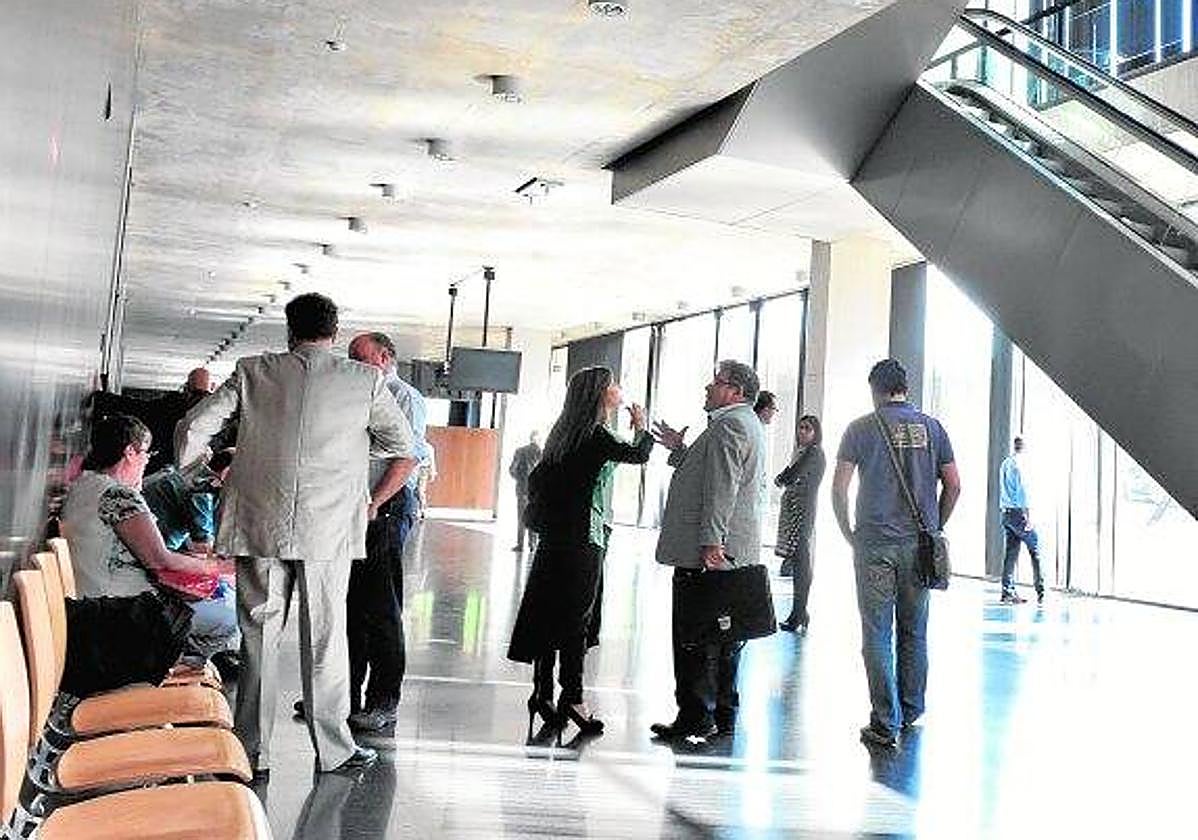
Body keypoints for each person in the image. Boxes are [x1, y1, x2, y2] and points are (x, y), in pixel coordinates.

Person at [175, 293, 417, 775]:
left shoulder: (253, 370)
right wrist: (358, 480)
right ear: (335, 332)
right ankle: (334, 750)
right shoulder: (365, 381)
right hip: (328, 529)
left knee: (258, 636)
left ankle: (252, 752)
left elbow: (195, 426)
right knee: (326, 638)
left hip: (258, 522)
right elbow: (402, 446)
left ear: (290, 329)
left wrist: (199, 474)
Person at [507, 367, 653, 740]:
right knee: (576, 618)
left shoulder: (564, 433)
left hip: (555, 538)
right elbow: (638, 454)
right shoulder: (596, 434)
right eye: (613, 384)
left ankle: (542, 694)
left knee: (547, 611)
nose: (619, 389)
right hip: (583, 537)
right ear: (600, 393)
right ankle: (573, 697)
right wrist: (641, 424)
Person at [831, 359, 960, 749]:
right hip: (918, 546)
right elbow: (954, 485)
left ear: (874, 389)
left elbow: (838, 489)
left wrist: (848, 534)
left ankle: (885, 721)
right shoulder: (933, 428)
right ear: (905, 387)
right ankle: (911, 708)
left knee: (876, 633)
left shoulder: (860, 428)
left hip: (874, 544)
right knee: (914, 630)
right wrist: (935, 527)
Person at [60, 414, 237, 669]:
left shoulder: (83, 485)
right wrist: (220, 567)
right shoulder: (118, 495)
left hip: (86, 603)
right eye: (146, 453)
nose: (146, 461)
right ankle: (161, 668)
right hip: (117, 611)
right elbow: (159, 560)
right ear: (130, 452)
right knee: (228, 618)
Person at [649, 359, 765, 741]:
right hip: (730, 551)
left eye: (717, 382)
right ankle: (721, 714)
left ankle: (697, 716)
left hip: (712, 553)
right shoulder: (743, 423)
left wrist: (711, 541)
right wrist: (680, 449)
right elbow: (710, 475)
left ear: (736, 391)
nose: (708, 387)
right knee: (725, 638)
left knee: (696, 637)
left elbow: (722, 488)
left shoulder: (730, 425)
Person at [342, 331, 431, 732]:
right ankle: (347, 696)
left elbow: (406, 457)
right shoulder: (354, 396)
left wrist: (375, 504)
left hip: (387, 508)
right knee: (352, 608)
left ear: (385, 357)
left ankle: (383, 701)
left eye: (360, 356)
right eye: (350, 357)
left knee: (381, 608)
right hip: (357, 510)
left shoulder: (405, 397)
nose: (353, 364)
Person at [775, 415, 826, 633]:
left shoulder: (814, 453)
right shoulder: (804, 453)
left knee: (801, 564)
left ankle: (799, 613)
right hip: (797, 511)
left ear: (816, 433)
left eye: (807, 428)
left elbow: (790, 475)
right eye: (800, 428)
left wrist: (782, 478)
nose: (802, 432)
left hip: (802, 513)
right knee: (798, 563)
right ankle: (799, 613)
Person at [141, 448, 234, 554]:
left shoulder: (195, 476)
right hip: (142, 550)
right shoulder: (203, 491)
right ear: (226, 473)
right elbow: (203, 549)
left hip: (149, 544)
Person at [999, 437, 1044, 604]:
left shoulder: (1006, 463)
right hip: (1019, 514)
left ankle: (1007, 592)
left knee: (1011, 553)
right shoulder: (1021, 464)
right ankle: (1042, 591)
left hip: (1006, 513)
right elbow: (1022, 491)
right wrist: (1028, 517)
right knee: (1036, 549)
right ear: (1025, 447)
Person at [509, 432, 542, 552]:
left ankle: (520, 544)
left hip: (522, 489)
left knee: (521, 516)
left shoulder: (520, 451)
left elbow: (512, 470)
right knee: (533, 515)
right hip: (536, 491)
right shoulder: (542, 453)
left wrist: (520, 479)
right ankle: (532, 544)